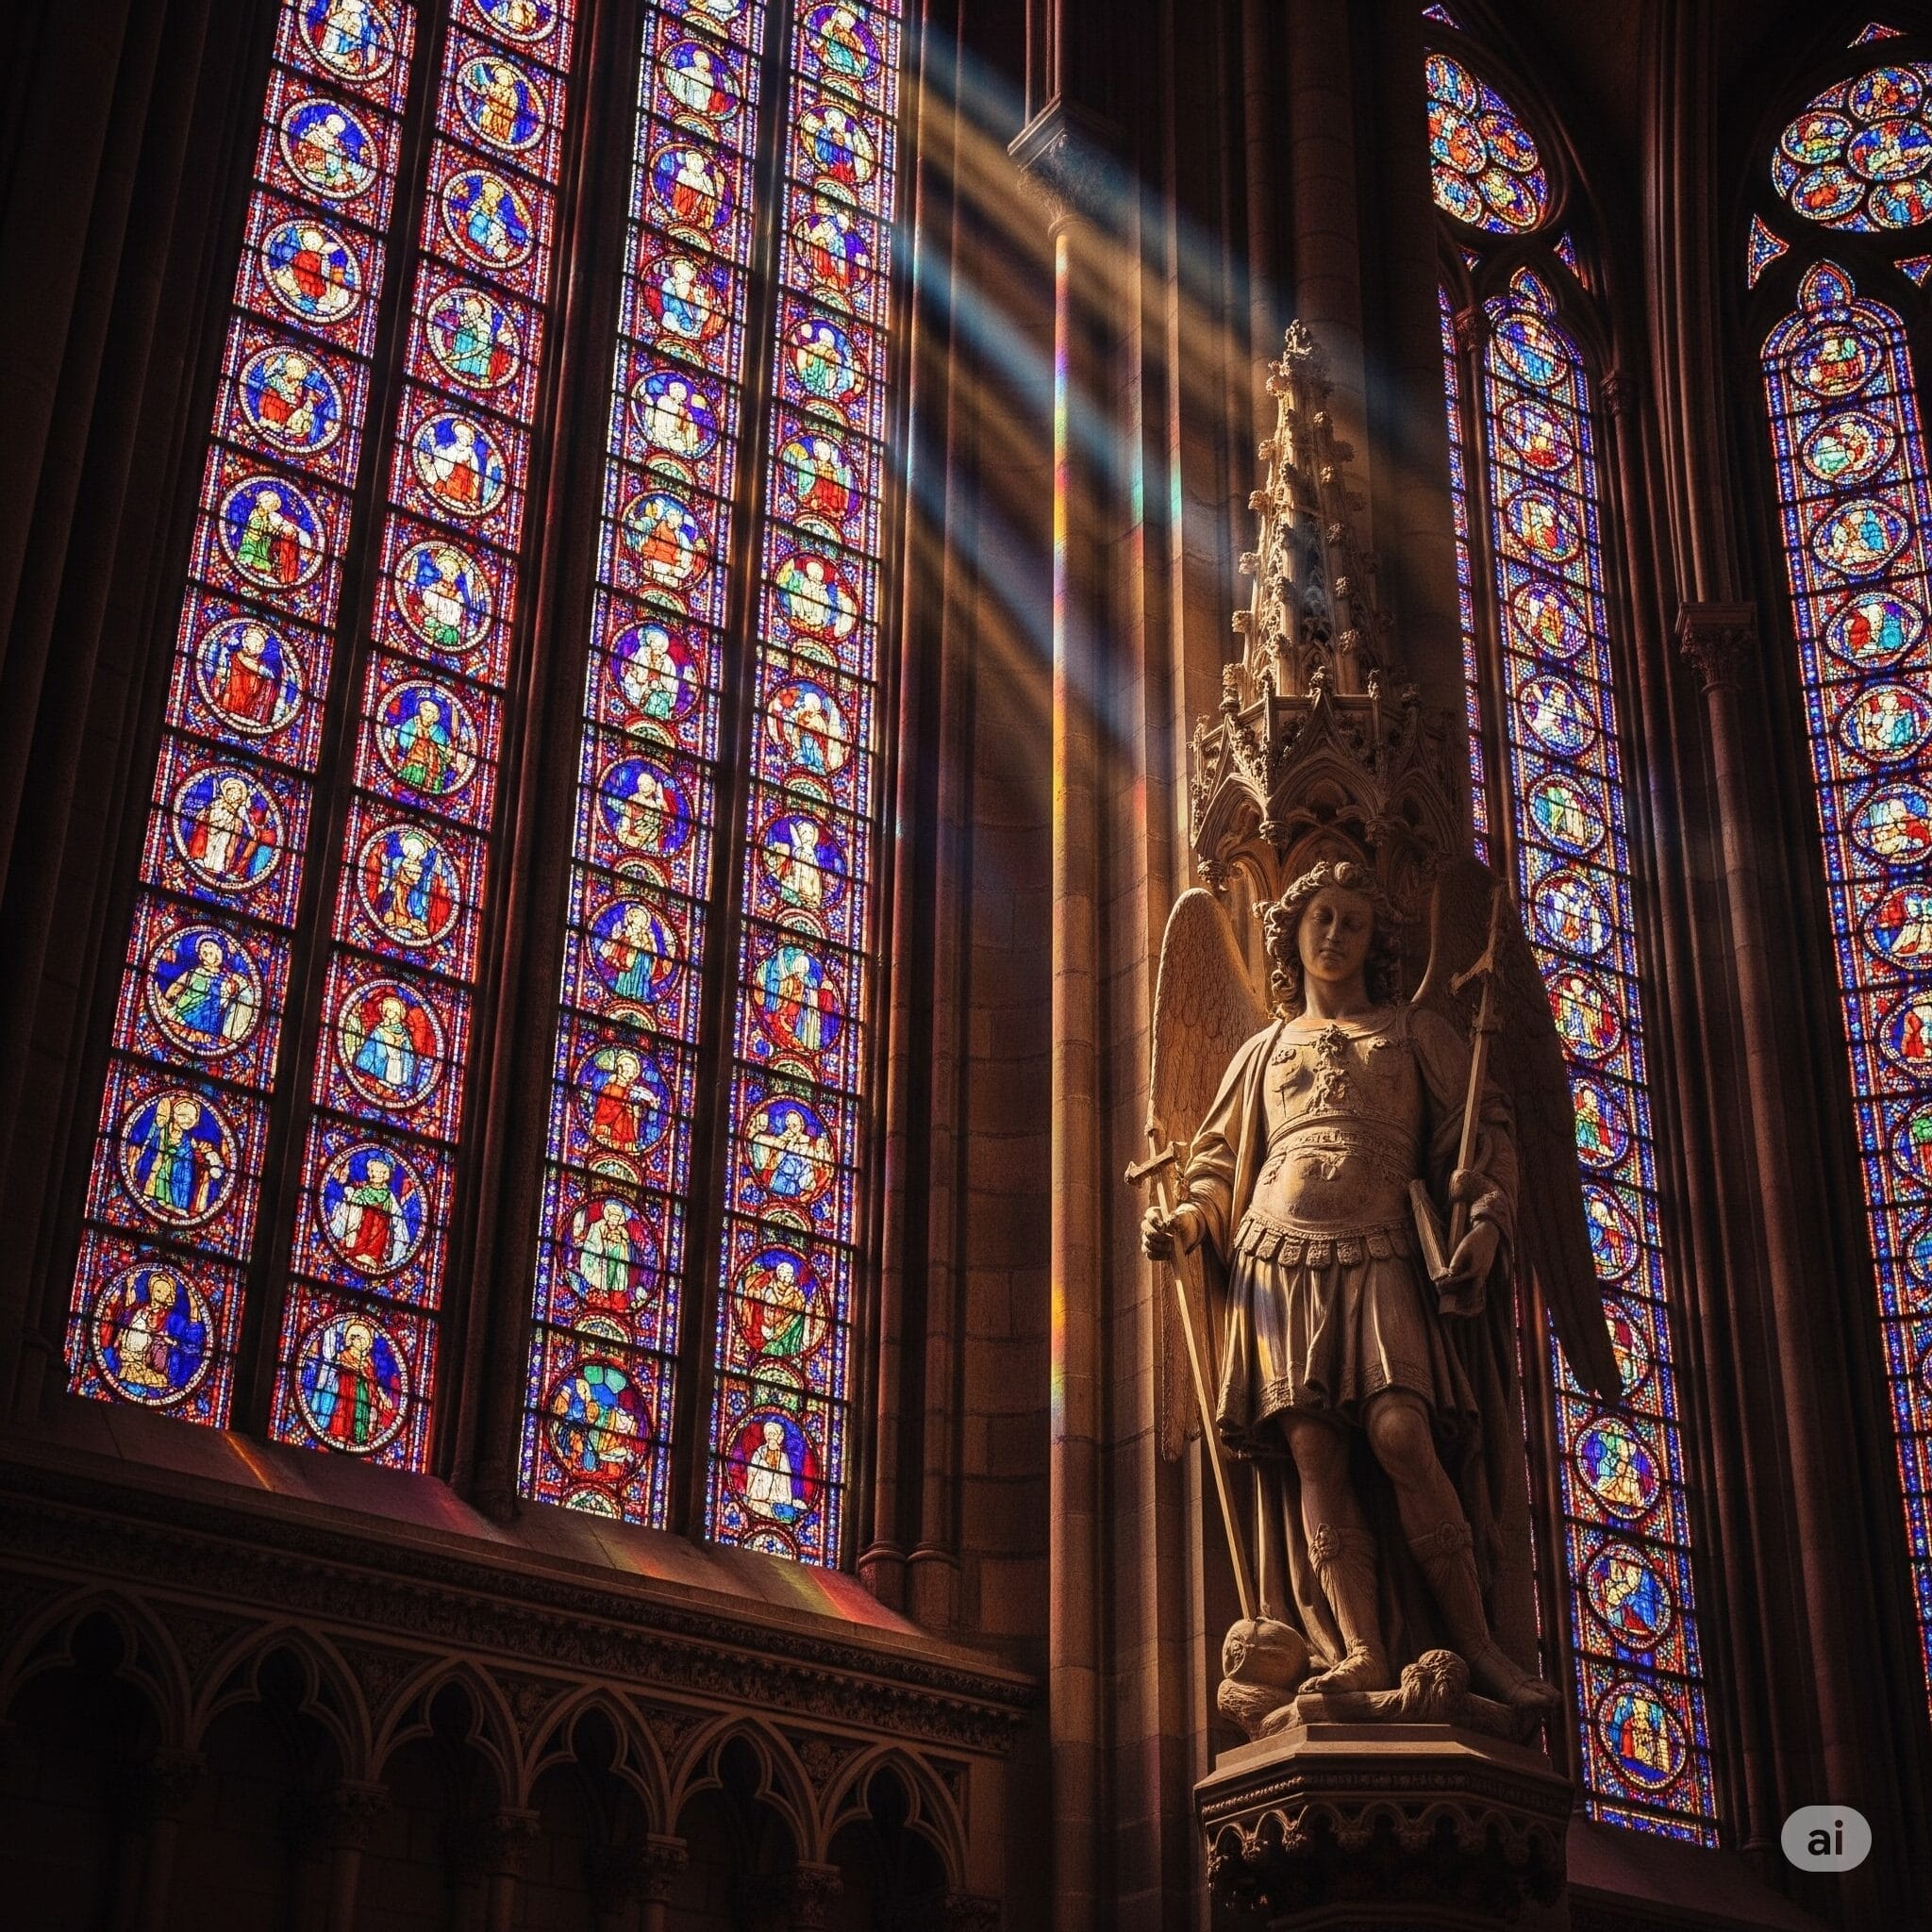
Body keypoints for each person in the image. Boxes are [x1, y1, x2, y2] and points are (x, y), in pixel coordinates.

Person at [1141, 860, 1557, 1711]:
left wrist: (1483, 1225)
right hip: (1275, 1257)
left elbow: (1476, 1146)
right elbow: (1217, 1163)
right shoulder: (1262, 1051)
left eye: (1353, 922)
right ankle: (1360, 1646)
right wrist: (1185, 1223)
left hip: (1380, 1252)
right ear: (1293, 936)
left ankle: (1479, 1649)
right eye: (1320, 919)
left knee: (1402, 1432)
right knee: (1313, 1452)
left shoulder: (1419, 1036)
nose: (1334, 935)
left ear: (1378, 940)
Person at [742, 1419, 799, 1521]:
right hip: (759, 1490)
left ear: (779, 1437)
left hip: (778, 1494)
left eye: (774, 1434)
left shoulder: (783, 1457)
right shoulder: (760, 1452)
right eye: (769, 1434)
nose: (771, 1437)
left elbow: (786, 1479)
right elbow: (752, 1471)